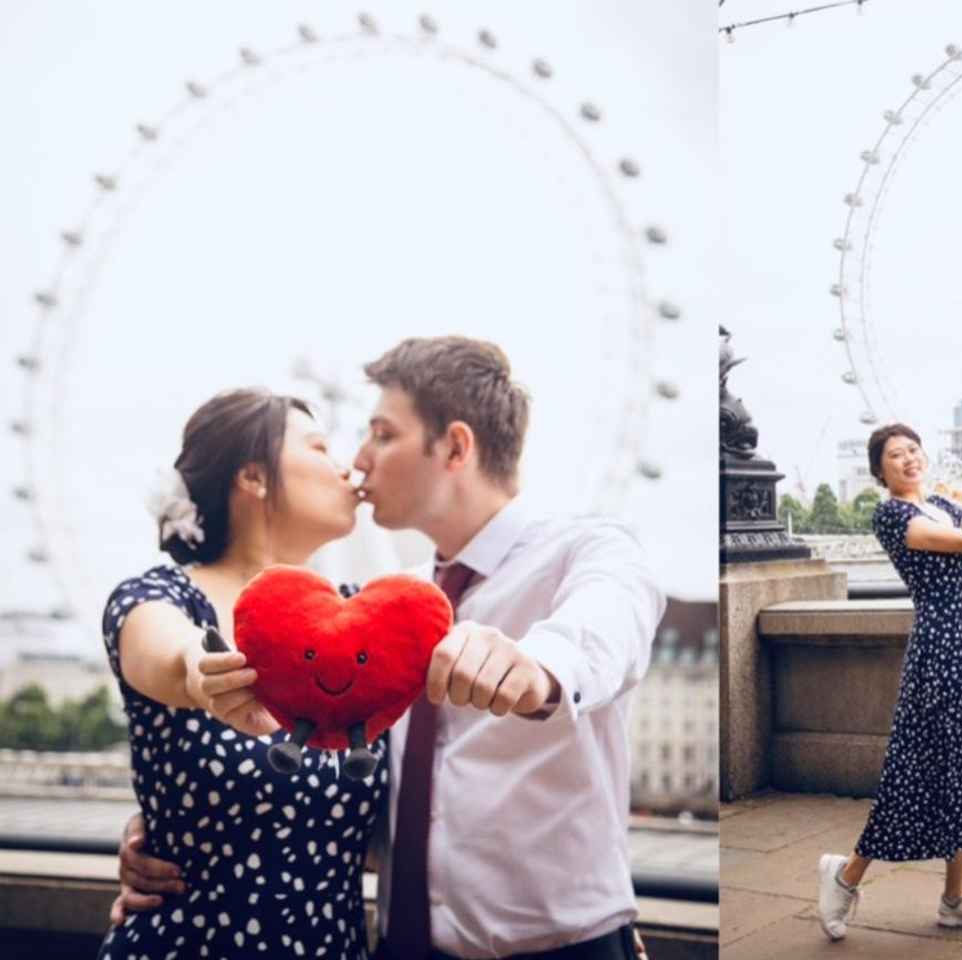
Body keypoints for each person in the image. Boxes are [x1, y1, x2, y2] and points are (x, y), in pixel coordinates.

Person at [121, 337, 664, 960]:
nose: (358, 461)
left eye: (382, 434)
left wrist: (540, 668)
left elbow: (609, 624)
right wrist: (171, 827)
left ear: (455, 447)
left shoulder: (588, 552)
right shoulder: (380, 610)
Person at [98, 388, 383, 959]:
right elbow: (169, 654)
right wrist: (203, 674)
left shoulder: (363, 616)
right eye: (319, 448)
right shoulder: (161, 598)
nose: (346, 467)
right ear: (253, 477)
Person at [816, 423, 962, 941]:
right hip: (937, 651)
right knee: (916, 769)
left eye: (913, 449)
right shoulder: (892, 516)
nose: (908, 458)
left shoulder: (943, 505)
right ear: (879, 471)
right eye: (895, 455)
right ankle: (845, 876)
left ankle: (955, 899)